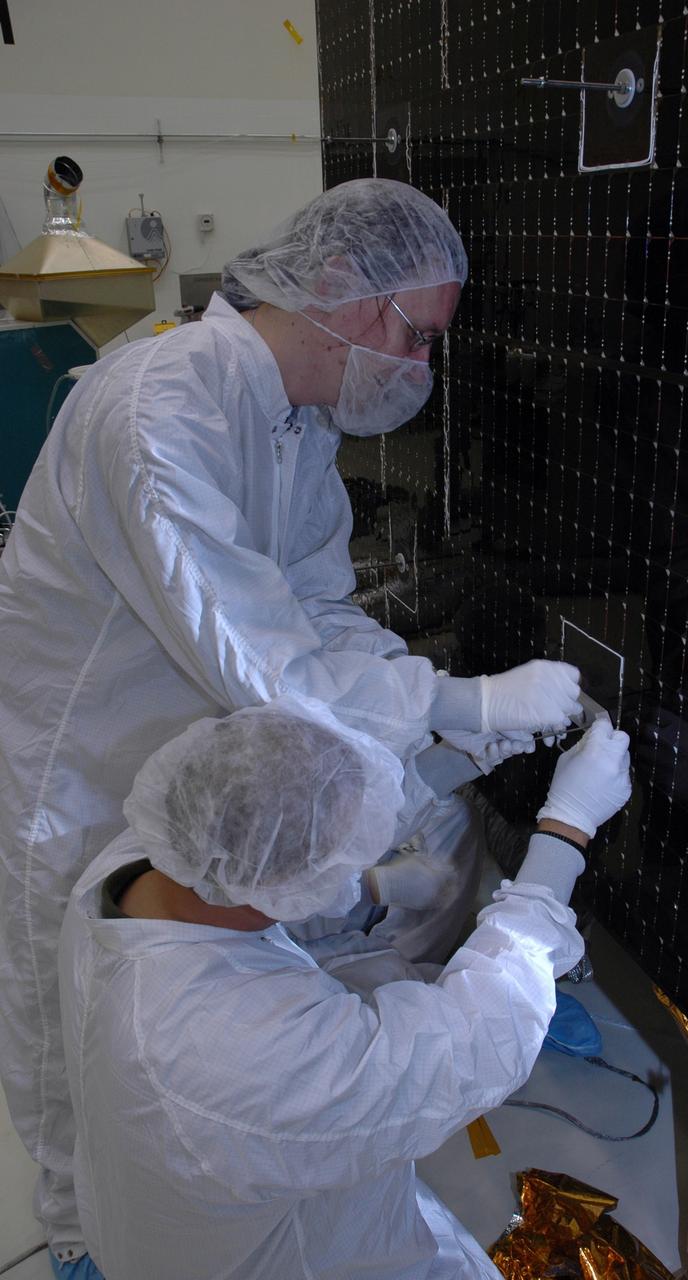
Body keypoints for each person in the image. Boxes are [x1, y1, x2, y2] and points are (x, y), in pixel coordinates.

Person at [0, 176, 584, 1274]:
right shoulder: (160, 408)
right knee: (70, 1011)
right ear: (332, 286)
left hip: (180, 744)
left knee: (165, 979)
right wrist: (455, 706)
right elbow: (257, 651)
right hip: (75, 758)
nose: (417, 367)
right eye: (415, 336)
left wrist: (435, 714)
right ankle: (84, 1236)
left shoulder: (292, 424)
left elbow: (316, 614)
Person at [57, 693, 632, 1280]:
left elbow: (280, 825)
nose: (354, 857)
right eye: (342, 854)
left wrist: (458, 758)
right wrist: (565, 830)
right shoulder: (238, 1051)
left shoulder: (152, 854)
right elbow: (471, 1049)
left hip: (174, 1211)